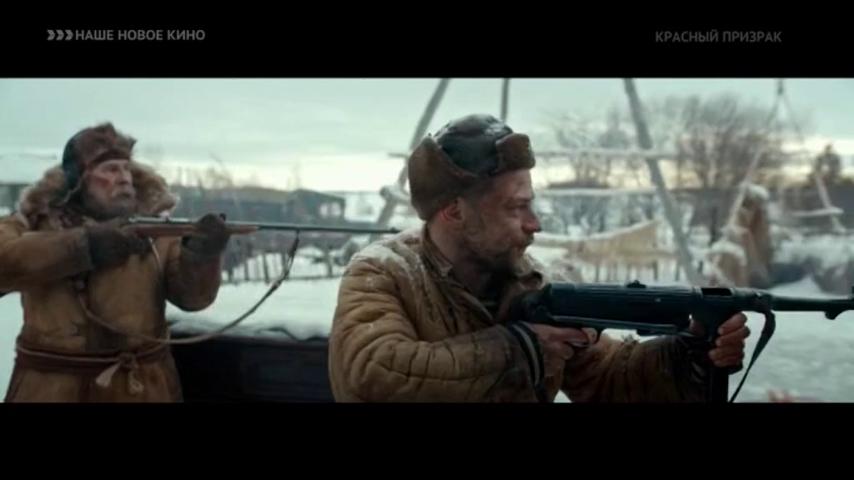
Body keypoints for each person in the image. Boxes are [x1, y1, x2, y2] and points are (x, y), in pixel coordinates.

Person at [329, 114, 749, 402]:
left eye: (531, 204)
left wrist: (692, 350)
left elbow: (608, 378)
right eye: (516, 208)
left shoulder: (532, 281)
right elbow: (374, 373)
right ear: (454, 211)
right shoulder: (383, 271)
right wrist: (519, 350)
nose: (535, 224)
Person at [0, 123, 230, 402]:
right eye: (110, 169)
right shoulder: (34, 222)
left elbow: (193, 299)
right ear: (78, 181)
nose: (124, 178)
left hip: (143, 388)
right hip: (55, 389)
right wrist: (86, 246)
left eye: (126, 169)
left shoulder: (154, 229)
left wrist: (201, 254)